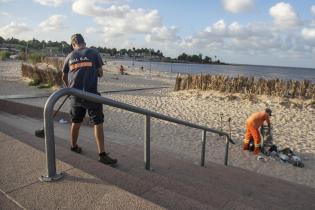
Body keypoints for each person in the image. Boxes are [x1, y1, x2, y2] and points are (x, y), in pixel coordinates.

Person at [62, 33, 117, 165]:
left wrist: (69, 88)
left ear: (73, 45)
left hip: (75, 94)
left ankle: (74, 146)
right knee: (97, 123)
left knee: (76, 121)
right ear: (83, 42)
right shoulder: (93, 52)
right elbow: (100, 73)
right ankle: (102, 154)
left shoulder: (69, 56)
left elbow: (63, 76)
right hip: (91, 94)